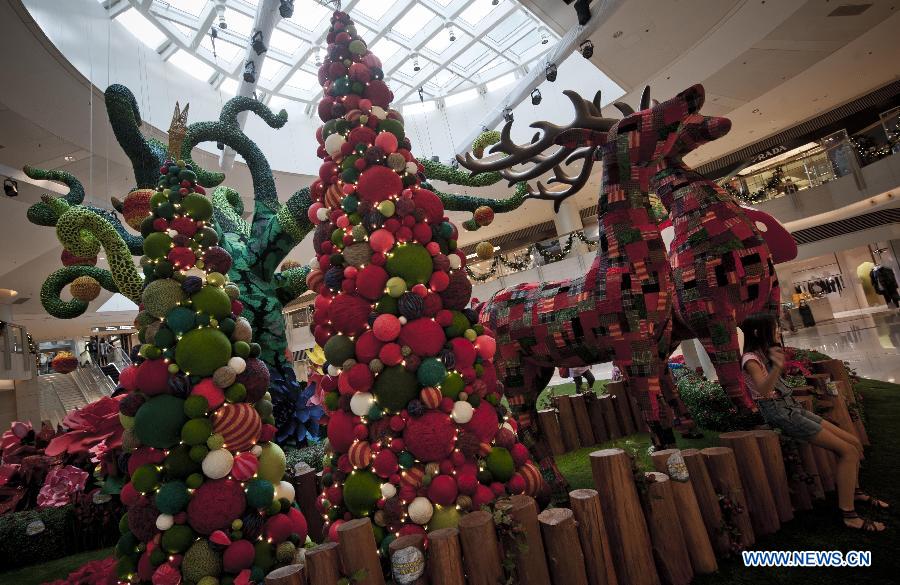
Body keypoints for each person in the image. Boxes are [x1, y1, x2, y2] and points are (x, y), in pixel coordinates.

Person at [740, 313, 888, 532]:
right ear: (757, 332)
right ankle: (849, 515)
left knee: (853, 443)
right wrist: (777, 367)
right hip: (779, 412)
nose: (777, 332)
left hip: (790, 407)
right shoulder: (751, 360)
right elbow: (763, 390)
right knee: (848, 451)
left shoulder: (763, 353)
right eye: (773, 328)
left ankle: (855, 492)